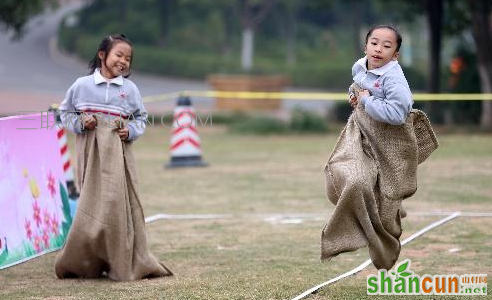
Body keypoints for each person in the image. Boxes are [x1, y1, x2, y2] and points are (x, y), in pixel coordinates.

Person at [54, 34, 173, 280]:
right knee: (91, 204)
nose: (123, 61)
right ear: (102, 54)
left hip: (119, 155)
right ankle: (85, 261)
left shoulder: (129, 90)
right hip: (90, 154)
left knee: (117, 205)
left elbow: (141, 117)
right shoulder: (82, 85)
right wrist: (80, 122)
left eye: (128, 58)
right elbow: (64, 112)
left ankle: (121, 260)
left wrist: (129, 130)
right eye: (119, 55)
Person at [320, 25, 438, 270]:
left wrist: (366, 100)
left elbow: (396, 114)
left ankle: (388, 225)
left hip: (389, 143)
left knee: (385, 204)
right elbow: (357, 88)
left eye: (387, 46)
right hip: (360, 136)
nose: (379, 49)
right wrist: (354, 97)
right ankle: (347, 231)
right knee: (353, 180)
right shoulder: (360, 65)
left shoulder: (395, 80)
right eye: (374, 43)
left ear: (395, 54)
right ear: (366, 46)